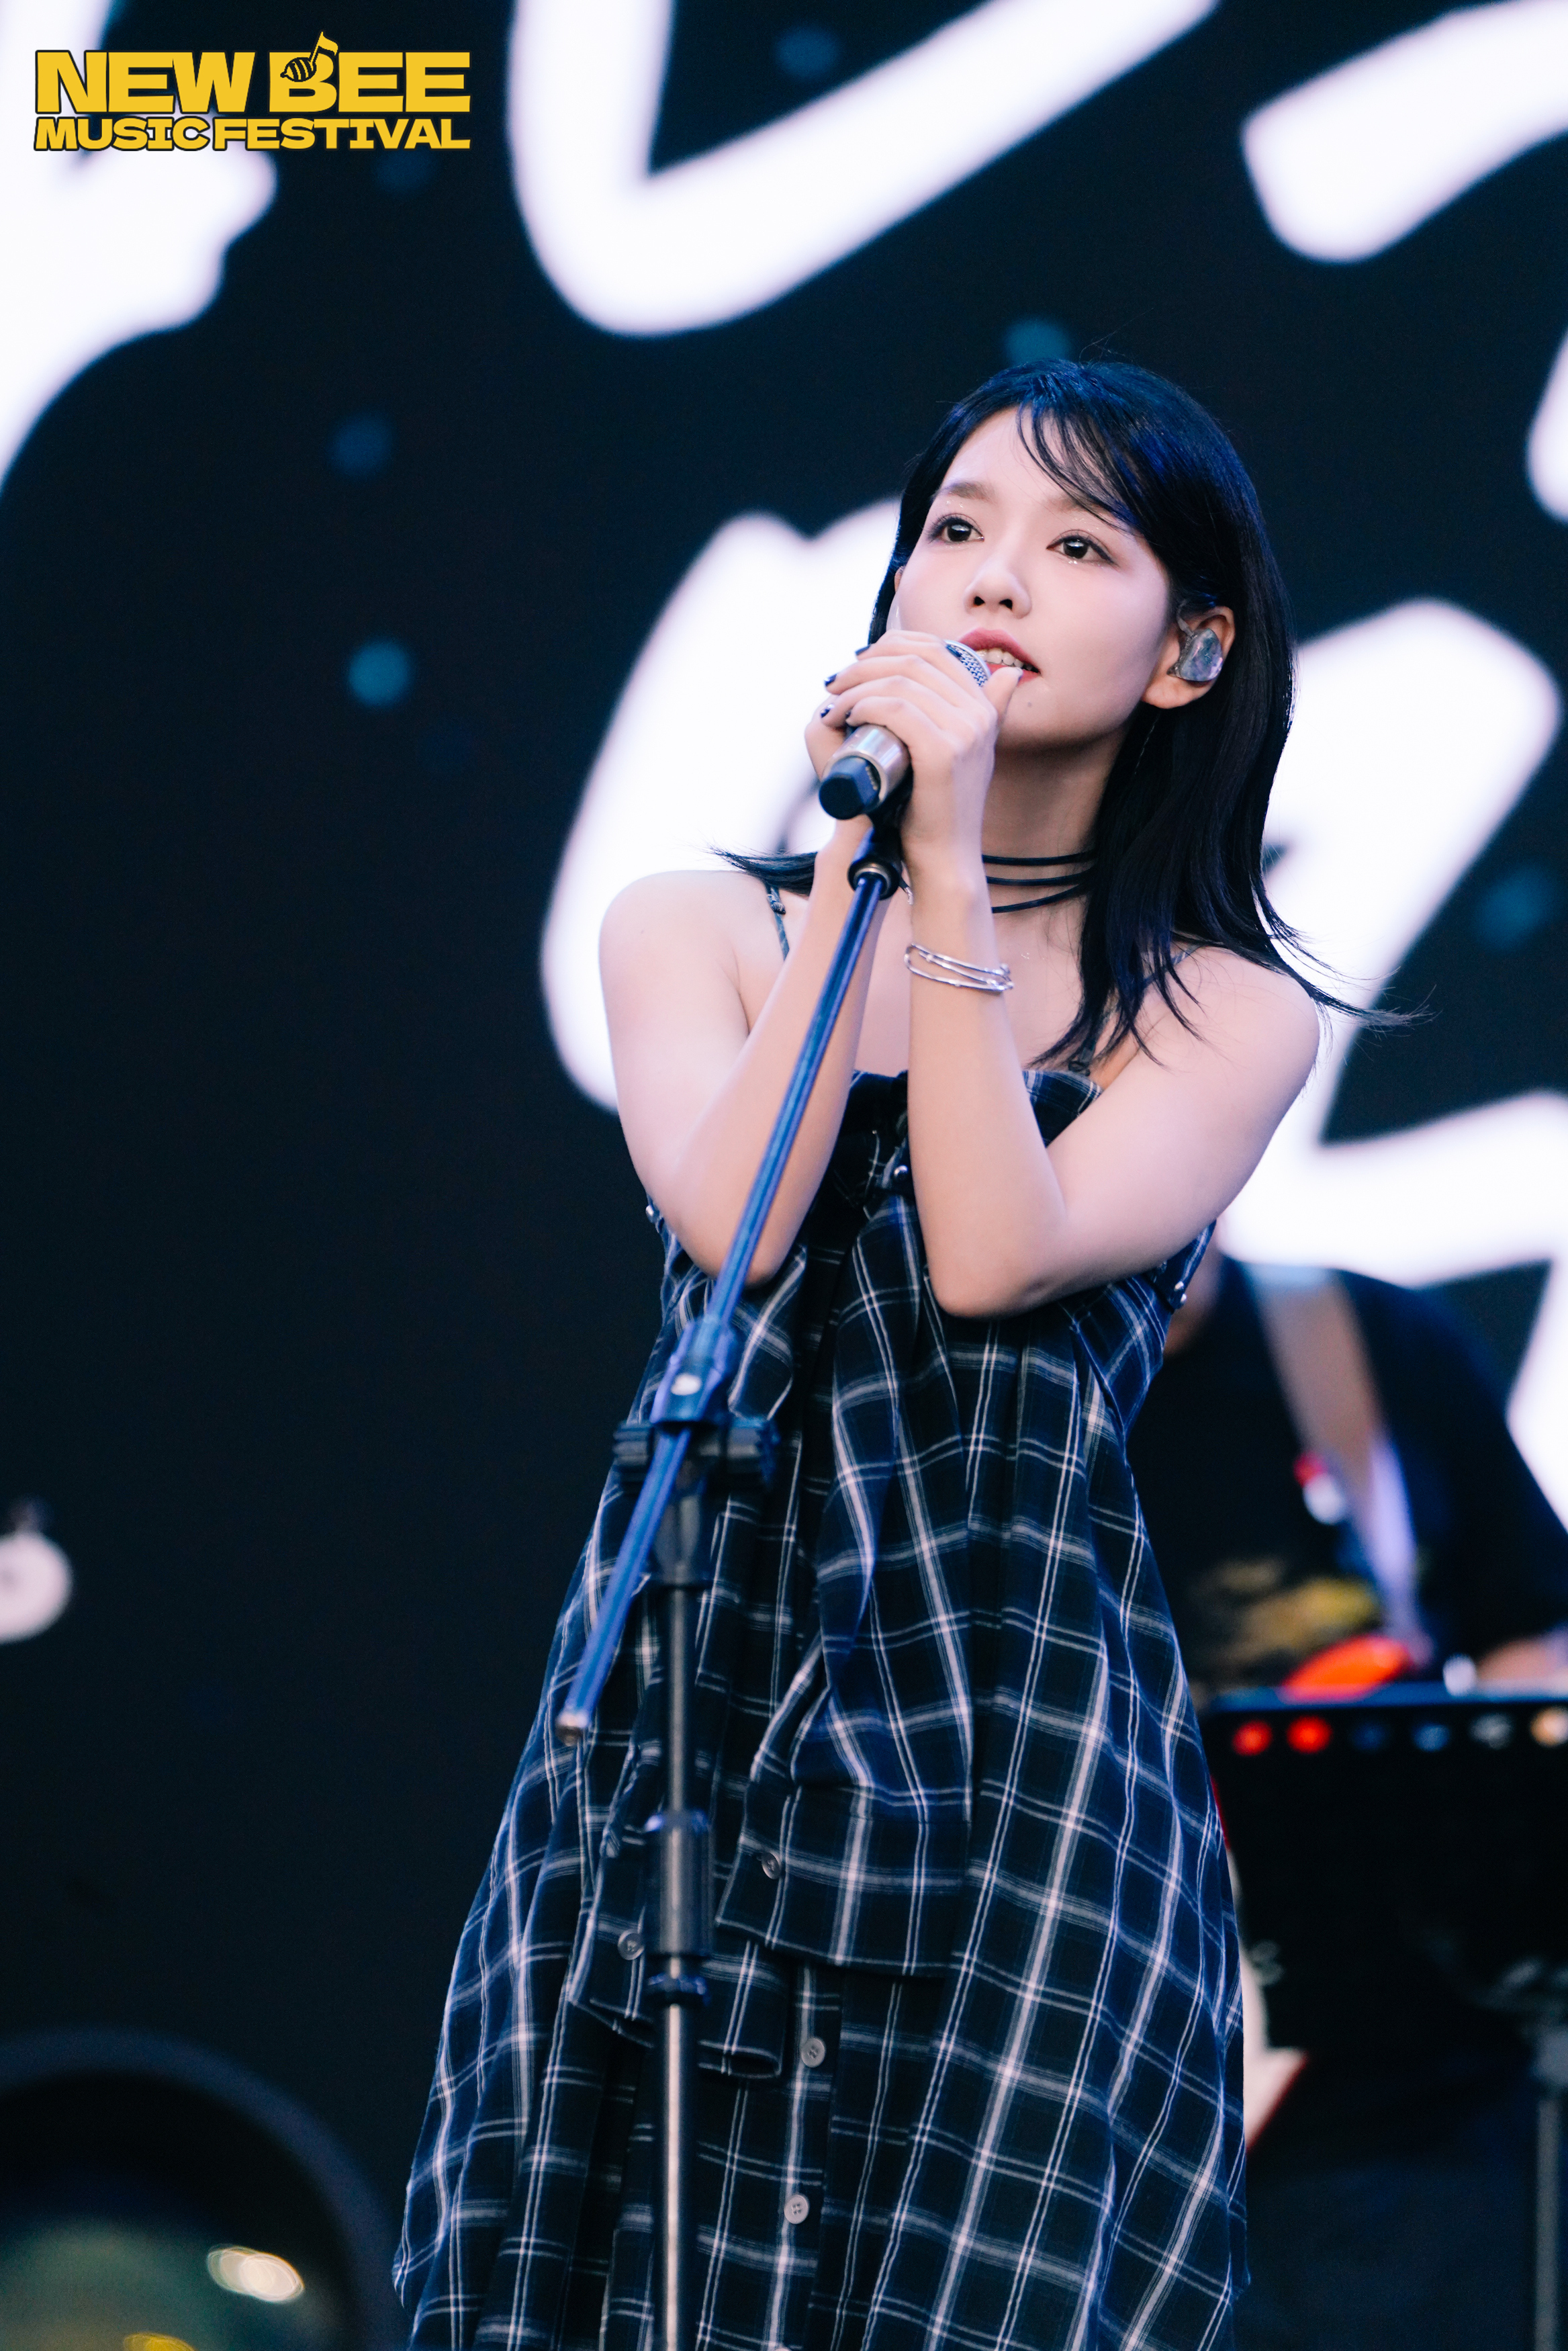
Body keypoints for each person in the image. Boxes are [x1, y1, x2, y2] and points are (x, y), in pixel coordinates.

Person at [395, 358, 1332, 2351]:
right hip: (701, 1697)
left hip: (1020, 1740)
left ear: (1190, 653)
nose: (992, 577)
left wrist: (957, 874)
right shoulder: (697, 924)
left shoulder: (1221, 1012)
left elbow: (992, 1254)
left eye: (1077, 546)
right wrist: (869, 871)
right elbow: (740, 1228)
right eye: (957, 531)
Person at [1128, 1245, 1568, 2350]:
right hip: (1141, 2077)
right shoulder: (1010, 1397)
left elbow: (1533, 1627)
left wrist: (1486, 1792)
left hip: (1416, 2090)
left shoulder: (1361, 1336)